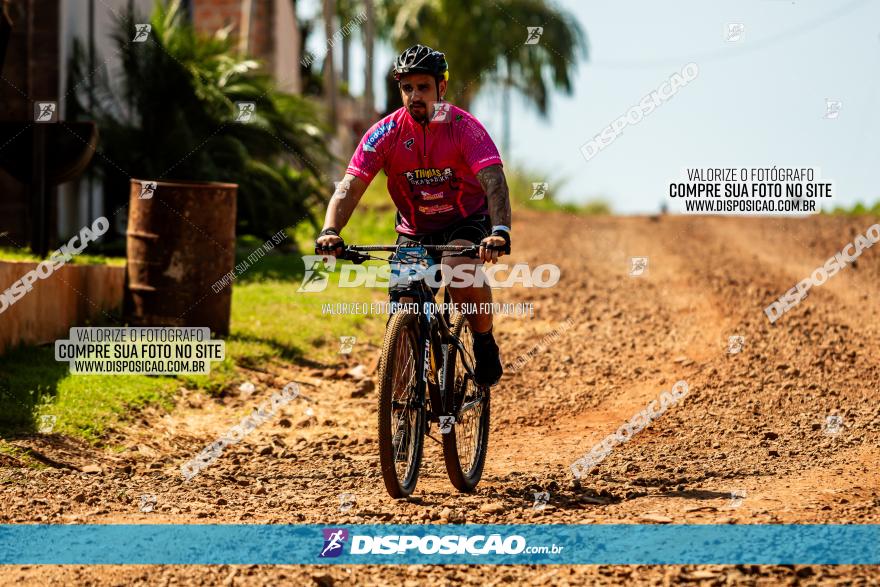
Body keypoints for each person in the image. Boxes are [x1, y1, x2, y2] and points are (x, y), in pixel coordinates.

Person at [315, 44, 512, 386]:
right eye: (407, 88)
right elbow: (350, 186)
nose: (414, 95)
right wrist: (330, 228)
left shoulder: (465, 128)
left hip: (465, 220)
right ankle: (407, 409)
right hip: (415, 229)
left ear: (441, 87)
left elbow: (494, 181)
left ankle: (484, 342)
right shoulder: (385, 132)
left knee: (458, 269)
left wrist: (499, 231)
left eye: (422, 87)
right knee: (406, 301)